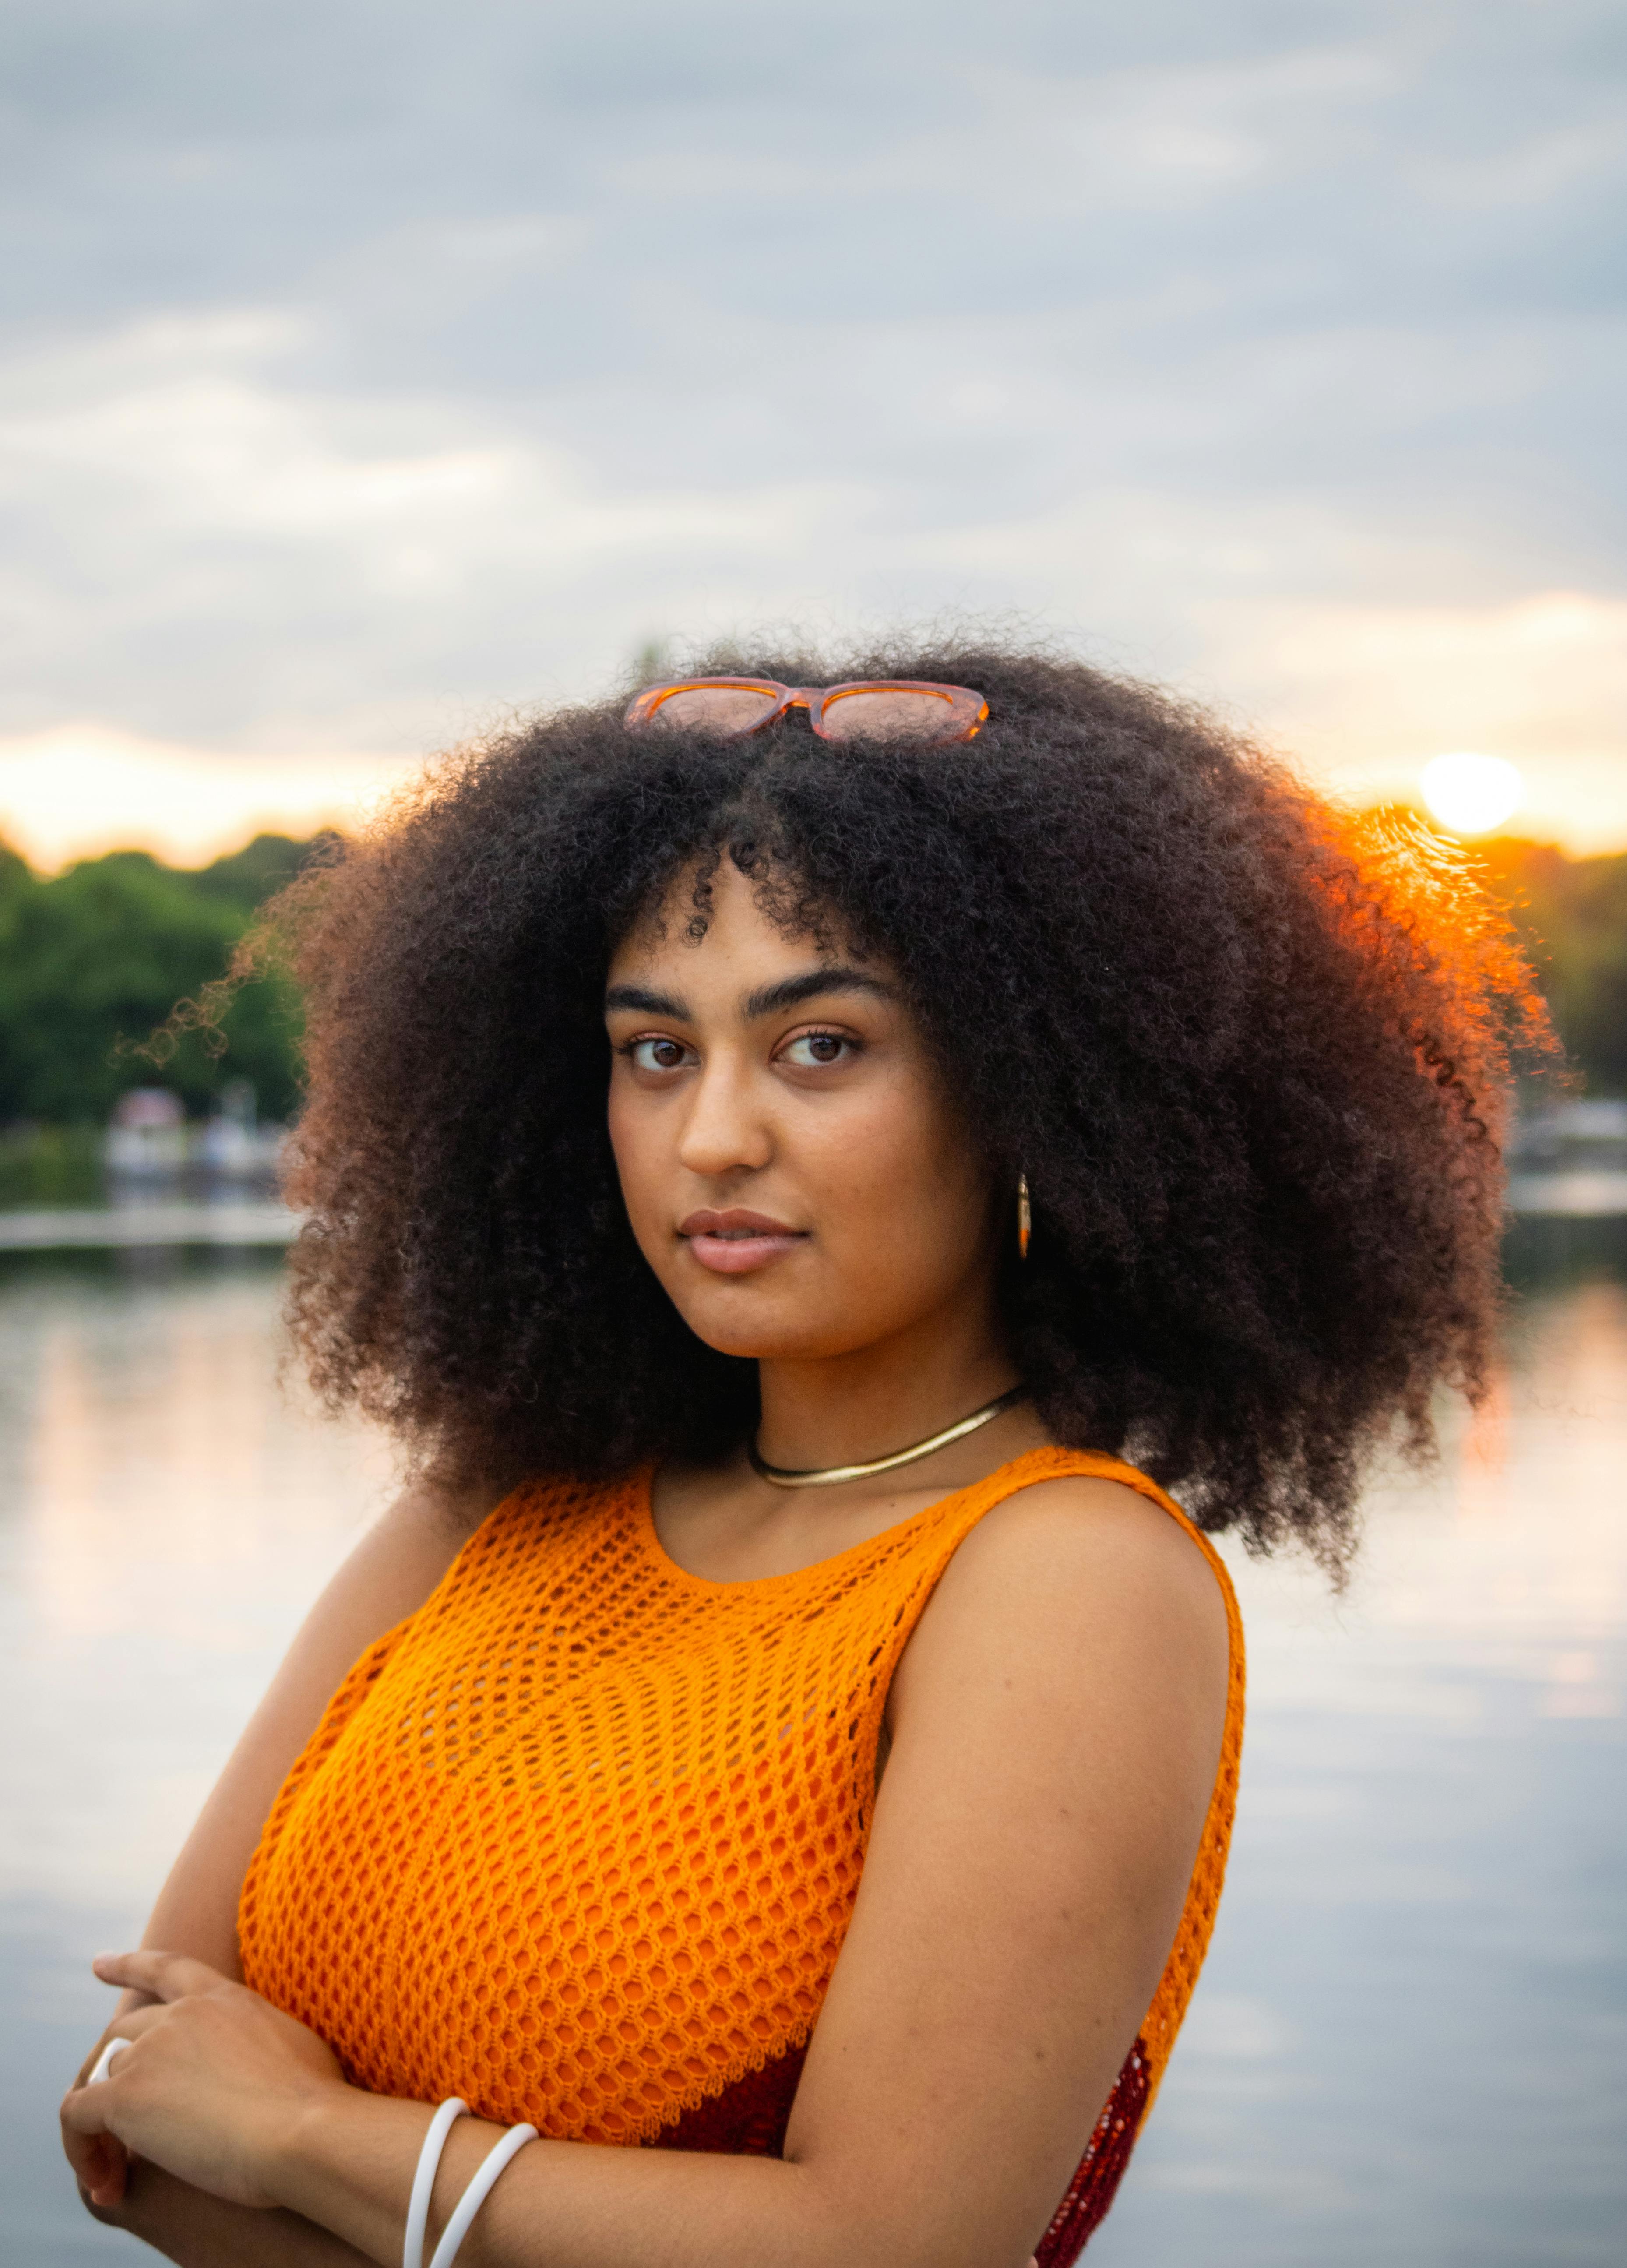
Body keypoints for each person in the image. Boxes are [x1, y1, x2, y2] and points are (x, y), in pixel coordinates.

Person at [60, 645, 1544, 2267]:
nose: (712, 1138)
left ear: (1036, 1099)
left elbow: (887, 2243)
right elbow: (135, 2114)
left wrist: (297, 2133)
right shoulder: (490, 1510)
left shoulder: (1058, 1575)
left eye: (821, 1044)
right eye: (655, 1050)